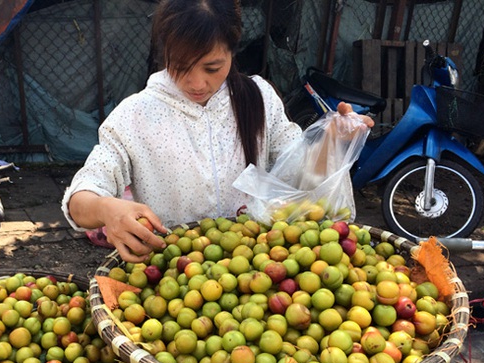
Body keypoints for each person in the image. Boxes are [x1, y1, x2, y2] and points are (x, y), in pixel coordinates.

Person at [62, 0, 373, 264]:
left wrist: (333, 142)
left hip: (258, 272)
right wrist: (106, 208)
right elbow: (83, 194)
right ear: (164, 52)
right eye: (181, 66)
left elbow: (301, 176)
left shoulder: (259, 99)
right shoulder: (134, 116)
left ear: (232, 50)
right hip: (173, 276)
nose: (198, 84)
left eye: (212, 67)